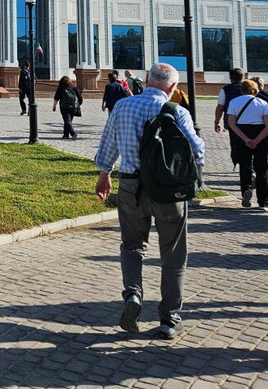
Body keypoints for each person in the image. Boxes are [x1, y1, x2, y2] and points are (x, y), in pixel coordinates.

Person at [95, 62, 205, 340]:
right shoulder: (177, 111)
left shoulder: (122, 106)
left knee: (132, 246)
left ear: (145, 80)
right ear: (173, 88)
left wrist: (104, 174)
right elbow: (196, 149)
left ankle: (133, 294)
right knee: (174, 253)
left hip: (131, 186)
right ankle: (169, 318)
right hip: (169, 191)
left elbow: (109, 143)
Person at [226, 78, 268, 210]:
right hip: (261, 135)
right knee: (262, 168)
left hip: (242, 135)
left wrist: (245, 139)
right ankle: (263, 201)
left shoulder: (234, 102)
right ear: (255, 90)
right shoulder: (262, 103)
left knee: (245, 166)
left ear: (242, 90)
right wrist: (256, 140)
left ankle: (246, 191)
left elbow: (231, 123)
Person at [52, 75, 82, 140]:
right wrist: (78, 105)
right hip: (73, 107)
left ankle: (73, 133)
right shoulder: (74, 88)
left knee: (67, 120)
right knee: (68, 121)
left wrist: (54, 106)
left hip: (64, 107)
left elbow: (56, 98)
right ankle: (66, 135)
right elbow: (80, 98)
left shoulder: (61, 88)